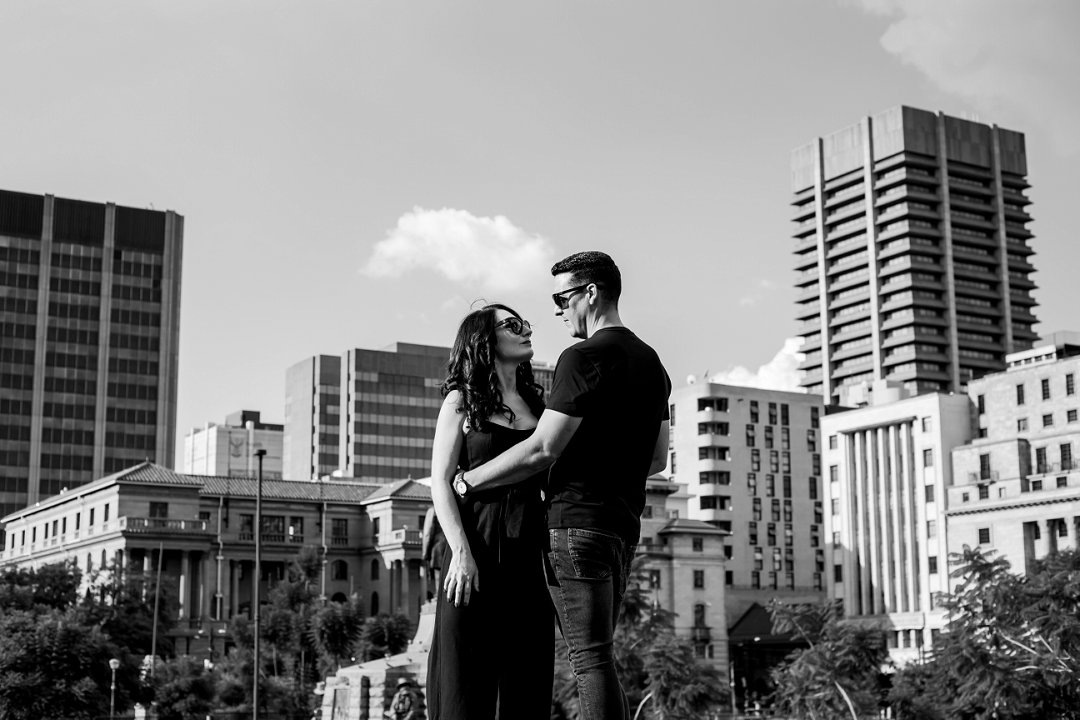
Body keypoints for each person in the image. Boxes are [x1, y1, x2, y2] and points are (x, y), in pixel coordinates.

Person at [456, 251, 671, 720]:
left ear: (590, 293)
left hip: (574, 525)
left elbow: (543, 448)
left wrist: (469, 480)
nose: (557, 311)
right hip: (622, 530)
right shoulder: (653, 364)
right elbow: (656, 460)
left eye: (561, 298)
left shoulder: (581, 357)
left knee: (589, 660)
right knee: (601, 655)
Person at [425, 303, 554, 720]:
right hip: (473, 553)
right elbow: (441, 481)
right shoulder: (460, 401)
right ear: (485, 339)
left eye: (525, 323)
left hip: (527, 554)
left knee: (528, 685)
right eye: (512, 325)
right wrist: (461, 554)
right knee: (463, 689)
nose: (526, 330)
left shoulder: (540, 405)